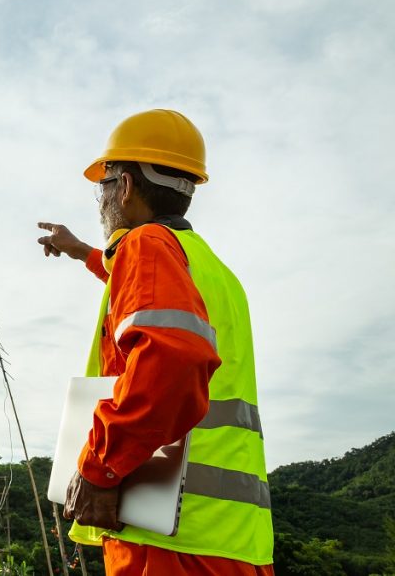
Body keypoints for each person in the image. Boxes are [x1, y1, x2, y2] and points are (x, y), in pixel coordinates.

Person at [37, 110, 274, 575]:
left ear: (125, 187)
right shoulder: (215, 272)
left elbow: (171, 358)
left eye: (102, 187)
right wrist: (83, 251)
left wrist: (100, 466)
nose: (101, 199)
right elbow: (138, 288)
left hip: (166, 538)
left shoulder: (147, 246)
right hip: (233, 540)